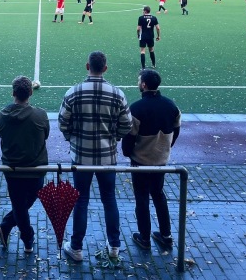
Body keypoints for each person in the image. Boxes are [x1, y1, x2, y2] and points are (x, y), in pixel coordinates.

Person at [59, 51, 132, 261]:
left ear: (87, 66)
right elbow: (127, 124)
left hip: (81, 157)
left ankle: (76, 248)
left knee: (80, 201)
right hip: (107, 157)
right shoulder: (117, 93)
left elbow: (63, 122)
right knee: (109, 199)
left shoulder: (73, 92)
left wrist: (72, 138)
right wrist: (114, 138)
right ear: (105, 68)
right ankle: (114, 246)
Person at [122, 69, 181, 251]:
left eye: (139, 81)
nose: (138, 83)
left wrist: (129, 153)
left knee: (141, 198)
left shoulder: (137, 108)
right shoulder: (171, 106)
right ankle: (166, 235)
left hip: (141, 161)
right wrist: (165, 148)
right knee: (158, 195)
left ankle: (145, 238)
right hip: (160, 160)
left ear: (144, 85)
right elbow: (176, 131)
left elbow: (129, 139)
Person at [0, 76, 49, 254]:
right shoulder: (40, 115)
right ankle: (27, 239)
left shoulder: (0, 117)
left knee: (19, 205)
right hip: (36, 169)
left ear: (13, 93)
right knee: (24, 204)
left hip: (12, 170)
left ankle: (9, 226)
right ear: (31, 93)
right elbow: (45, 135)